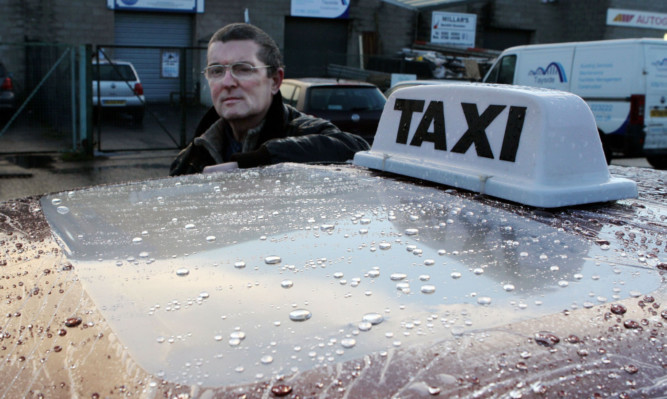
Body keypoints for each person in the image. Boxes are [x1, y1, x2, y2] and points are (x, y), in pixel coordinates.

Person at [170, 23, 370, 176]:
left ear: (275, 81)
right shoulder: (189, 160)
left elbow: (355, 149)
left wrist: (257, 161)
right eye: (216, 71)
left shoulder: (301, 130)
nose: (227, 82)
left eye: (243, 69)